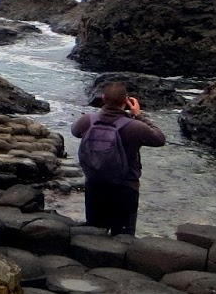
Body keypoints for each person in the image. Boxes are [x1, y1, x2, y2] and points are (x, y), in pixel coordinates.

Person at [71, 82, 167, 236]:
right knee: (123, 239)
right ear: (126, 102)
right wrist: (138, 115)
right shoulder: (135, 127)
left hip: (95, 184)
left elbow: (75, 132)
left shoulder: (88, 120)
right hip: (125, 188)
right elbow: (159, 139)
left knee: (93, 233)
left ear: (103, 98)